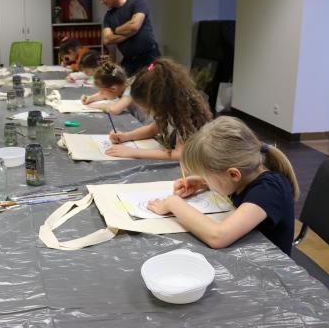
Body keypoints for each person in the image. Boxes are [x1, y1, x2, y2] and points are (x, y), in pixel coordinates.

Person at [146, 116, 299, 255]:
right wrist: (202, 182)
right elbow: (227, 182)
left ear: (233, 174)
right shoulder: (247, 173)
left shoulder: (270, 190)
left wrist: (173, 203)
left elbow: (218, 236)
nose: (205, 179)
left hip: (270, 267)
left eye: (207, 175)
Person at [106, 57, 211, 160]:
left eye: (147, 109)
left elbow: (179, 154)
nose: (146, 112)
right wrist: (126, 136)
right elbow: (153, 129)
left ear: (159, 102)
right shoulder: (172, 105)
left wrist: (134, 152)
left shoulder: (185, 113)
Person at [96, 0, 160, 77]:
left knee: (151, 84)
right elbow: (107, 39)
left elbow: (133, 26)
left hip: (149, 57)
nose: (102, 2)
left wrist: (116, 30)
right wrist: (130, 33)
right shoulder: (108, 16)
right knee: (120, 83)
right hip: (129, 61)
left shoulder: (138, 2)